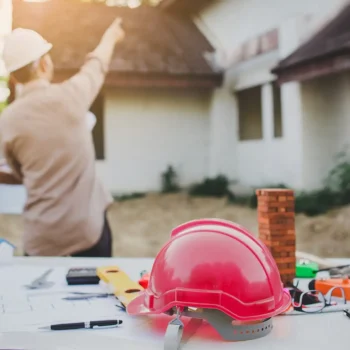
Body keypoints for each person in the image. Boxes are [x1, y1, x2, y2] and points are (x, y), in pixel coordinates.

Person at [0, 18, 125, 257]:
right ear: (45, 64)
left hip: (41, 240)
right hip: (86, 232)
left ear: (14, 78)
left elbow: (20, 174)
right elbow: (97, 63)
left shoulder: (7, 121)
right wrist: (111, 36)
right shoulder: (72, 95)